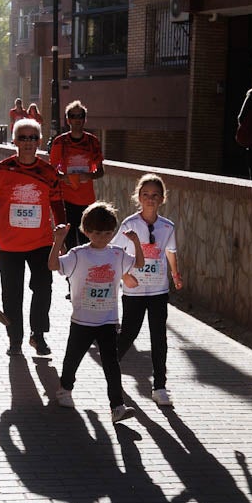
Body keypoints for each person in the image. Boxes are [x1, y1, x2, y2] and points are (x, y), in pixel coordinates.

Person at [50, 202, 143, 422]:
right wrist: (58, 241)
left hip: (108, 321)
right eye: (97, 233)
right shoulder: (79, 254)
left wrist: (136, 242)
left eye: (108, 233)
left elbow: (138, 263)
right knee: (73, 358)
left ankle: (117, 406)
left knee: (112, 363)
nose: (103, 237)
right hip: (82, 320)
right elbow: (53, 265)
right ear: (86, 231)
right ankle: (65, 389)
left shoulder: (118, 254)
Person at [0, 118, 64, 356]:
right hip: (8, 245)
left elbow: (57, 206)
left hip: (41, 243)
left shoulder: (48, 172)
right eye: (23, 138)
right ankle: (14, 339)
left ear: (39, 142)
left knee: (43, 289)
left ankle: (38, 336)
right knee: (12, 294)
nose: (28, 142)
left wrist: (61, 235)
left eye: (32, 138)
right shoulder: (1, 170)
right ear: (15, 141)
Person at [116, 173, 182, 407]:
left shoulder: (167, 227)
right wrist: (125, 276)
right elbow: (114, 254)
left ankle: (160, 386)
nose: (150, 199)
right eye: (145, 195)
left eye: (155, 195)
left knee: (159, 336)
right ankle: (111, 369)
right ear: (138, 197)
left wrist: (175, 274)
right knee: (129, 333)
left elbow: (170, 251)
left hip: (158, 291)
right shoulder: (129, 225)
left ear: (162, 198)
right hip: (134, 291)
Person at [49, 100, 104, 254]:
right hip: (66, 199)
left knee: (87, 241)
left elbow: (100, 172)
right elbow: (51, 171)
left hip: (86, 200)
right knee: (70, 242)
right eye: (73, 116)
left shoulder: (92, 142)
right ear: (68, 120)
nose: (77, 119)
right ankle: (70, 276)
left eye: (80, 116)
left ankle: (84, 274)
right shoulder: (60, 142)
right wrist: (63, 177)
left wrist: (89, 175)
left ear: (85, 119)